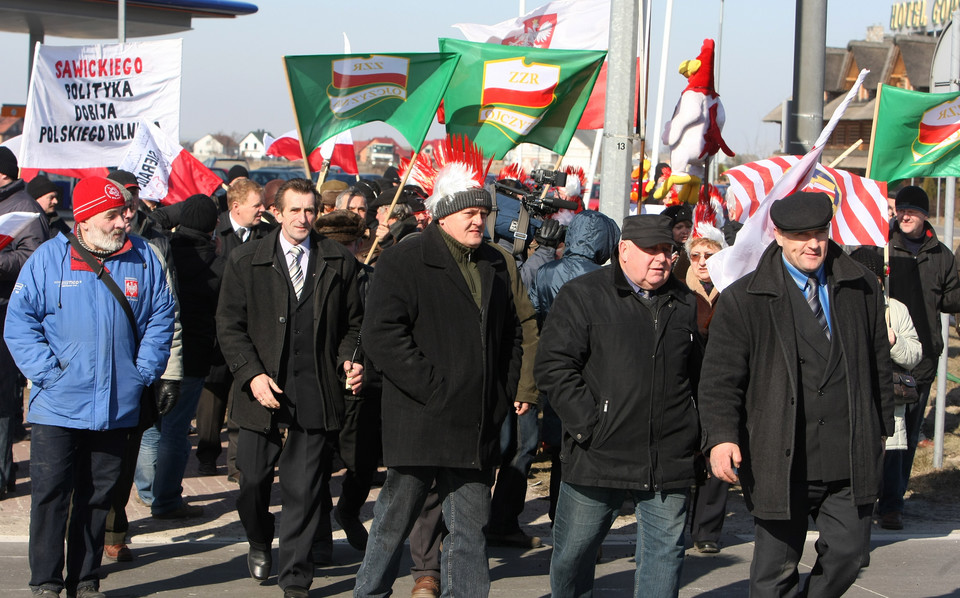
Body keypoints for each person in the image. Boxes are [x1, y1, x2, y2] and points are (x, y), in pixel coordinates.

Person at [699, 192, 894, 596]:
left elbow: (878, 364)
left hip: (848, 452)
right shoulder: (744, 298)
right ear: (777, 235)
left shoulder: (862, 288)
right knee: (775, 573)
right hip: (779, 455)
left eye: (820, 233)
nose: (813, 244)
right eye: (801, 235)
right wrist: (721, 438)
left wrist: (882, 427)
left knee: (850, 555)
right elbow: (720, 379)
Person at [354, 166, 523, 598]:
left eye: (483, 213)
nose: (478, 221)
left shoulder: (494, 264)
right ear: (443, 215)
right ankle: (369, 592)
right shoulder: (405, 259)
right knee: (394, 520)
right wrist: (434, 389)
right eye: (468, 212)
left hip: (476, 421)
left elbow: (512, 335)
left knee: (469, 529)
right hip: (421, 418)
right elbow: (382, 335)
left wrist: (501, 393)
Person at [5, 176, 175, 598]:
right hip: (57, 406)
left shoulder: (144, 257)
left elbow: (161, 315)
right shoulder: (48, 259)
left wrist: (143, 371)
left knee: (98, 498)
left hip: (117, 405)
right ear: (83, 218)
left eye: (125, 213)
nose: (123, 222)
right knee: (50, 498)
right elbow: (20, 323)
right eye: (113, 215)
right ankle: (45, 581)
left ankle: (85, 579)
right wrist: (48, 374)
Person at [535, 214, 702, 598]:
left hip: (668, 458)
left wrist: (697, 433)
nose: (661, 258)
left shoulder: (685, 303)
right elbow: (554, 366)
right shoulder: (583, 295)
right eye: (651, 250)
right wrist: (590, 425)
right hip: (598, 454)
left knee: (665, 555)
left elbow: (698, 376)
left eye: (668, 250)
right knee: (573, 555)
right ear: (623, 250)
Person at [217, 178, 363, 598]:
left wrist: (349, 358)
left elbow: (356, 323)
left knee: (303, 489)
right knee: (253, 481)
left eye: (310, 210)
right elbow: (229, 326)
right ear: (275, 214)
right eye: (294, 210)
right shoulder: (246, 260)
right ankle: (260, 538)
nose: (303, 218)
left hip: (314, 390)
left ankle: (296, 578)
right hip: (259, 391)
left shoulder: (338, 260)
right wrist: (252, 374)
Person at [528, 210, 620, 523]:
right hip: (596, 368)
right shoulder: (609, 277)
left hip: (556, 364)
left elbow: (535, 312)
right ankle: (584, 523)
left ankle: (559, 514)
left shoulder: (548, 271)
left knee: (559, 446)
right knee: (591, 444)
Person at [134, 195, 224, 520]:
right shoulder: (217, 264)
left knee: (152, 426)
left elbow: (155, 217)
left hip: (156, 350)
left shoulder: (159, 250)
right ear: (214, 224)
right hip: (194, 356)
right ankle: (167, 499)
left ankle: (148, 491)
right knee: (175, 430)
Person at [880, 185, 960, 530]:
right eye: (902, 210)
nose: (905, 215)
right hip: (882, 352)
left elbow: (953, 301)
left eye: (913, 211)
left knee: (907, 436)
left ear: (926, 215)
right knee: (879, 431)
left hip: (921, 358)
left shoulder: (941, 255)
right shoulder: (882, 245)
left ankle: (893, 504)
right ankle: (869, 497)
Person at [196, 177, 273, 478]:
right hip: (217, 327)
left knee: (243, 393)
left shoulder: (266, 233)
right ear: (236, 207)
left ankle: (238, 463)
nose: (262, 210)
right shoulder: (215, 233)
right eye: (257, 205)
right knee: (213, 397)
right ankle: (206, 454)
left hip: (251, 327)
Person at [0, 147, 49, 501]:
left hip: (5, 312)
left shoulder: (24, 208)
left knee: (2, 401)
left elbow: (33, 260)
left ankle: (2, 476)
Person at [684, 229, 728, 554]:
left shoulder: (732, 290)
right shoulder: (679, 291)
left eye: (708, 255)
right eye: (696, 255)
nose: (701, 262)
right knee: (685, 456)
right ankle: (678, 525)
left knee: (720, 451)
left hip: (722, 383)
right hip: (686, 384)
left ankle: (708, 529)